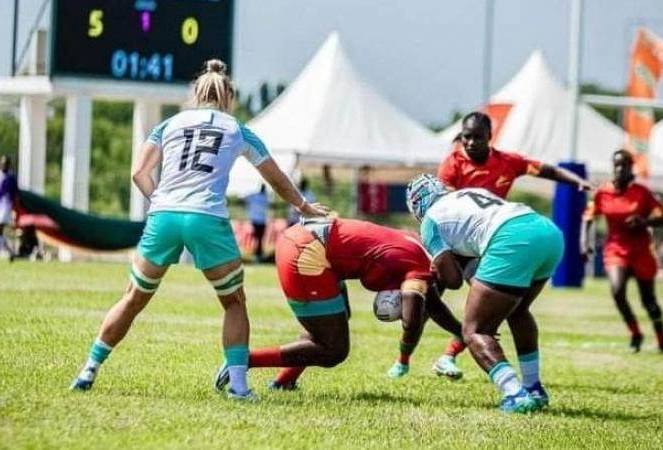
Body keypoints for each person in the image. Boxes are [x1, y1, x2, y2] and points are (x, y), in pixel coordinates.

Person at [69, 59, 329, 401]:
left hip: (163, 216)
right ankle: (238, 387)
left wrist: (160, 198)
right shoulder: (237, 129)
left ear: (196, 93)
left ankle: (89, 367)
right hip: (206, 217)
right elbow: (275, 176)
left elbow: (138, 172)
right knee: (234, 302)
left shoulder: (168, 124)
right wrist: (304, 207)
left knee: (133, 298)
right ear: (228, 97)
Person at [214, 217, 465, 391]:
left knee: (331, 325)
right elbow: (412, 322)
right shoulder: (422, 270)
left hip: (305, 238)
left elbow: (433, 303)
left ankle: (284, 381)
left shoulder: (417, 243)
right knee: (333, 349)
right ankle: (242, 362)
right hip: (308, 252)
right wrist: (405, 306)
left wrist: (463, 333)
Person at [407, 174, 564, 413]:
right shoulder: (468, 193)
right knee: (518, 310)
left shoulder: (430, 221)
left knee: (474, 331)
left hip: (512, 237)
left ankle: (515, 392)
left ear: (417, 204)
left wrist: (438, 266)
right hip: (546, 230)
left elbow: (453, 280)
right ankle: (533, 387)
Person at [581, 149, 663, 354]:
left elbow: (662, 218)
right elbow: (588, 217)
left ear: (631, 168)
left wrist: (644, 221)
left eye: (624, 165)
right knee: (617, 291)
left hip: (641, 251)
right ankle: (636, 333)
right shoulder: (603, 192)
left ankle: (662, 338)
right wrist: (584, 243)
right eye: (617, 165)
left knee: (649, 301)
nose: (620, 169)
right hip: (616, 249)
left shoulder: (643, 193)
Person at [438, 111, 593, 198]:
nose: (471, 142)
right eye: (467, 136)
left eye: (478, 137)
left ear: (490, 136)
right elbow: (447, 202)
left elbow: (550, 171)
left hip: (494, 230)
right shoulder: (451, 165)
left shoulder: (509, 162)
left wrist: (578, 181)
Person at [245, 184, 270, 262]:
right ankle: (256, 255)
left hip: (256, 220)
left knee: (258, 239)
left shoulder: (254, 196)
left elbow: (245, 198)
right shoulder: (265, 197)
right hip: (259, 220)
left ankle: (257, 255)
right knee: (258, 239)